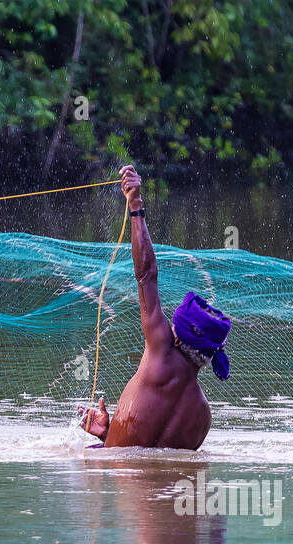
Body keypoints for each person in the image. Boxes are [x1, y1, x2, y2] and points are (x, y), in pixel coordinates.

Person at [78, 165, 231, 450]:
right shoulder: (202, 419)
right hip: (149, 492)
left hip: (108, 479)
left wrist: (135, 204)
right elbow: (153, 462)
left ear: (176, 336)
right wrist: (108, 433)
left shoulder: (161, 350)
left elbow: (146, 275)